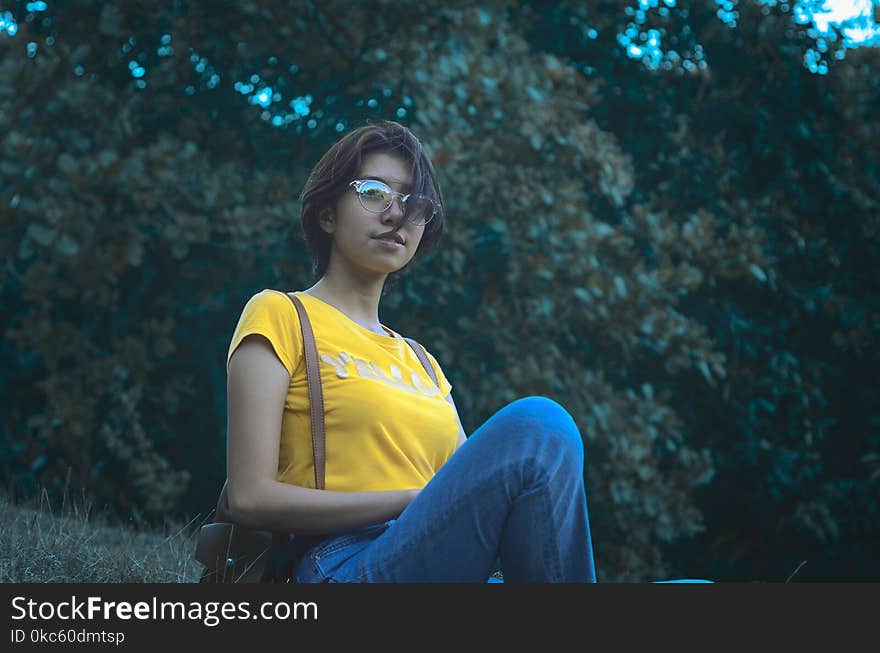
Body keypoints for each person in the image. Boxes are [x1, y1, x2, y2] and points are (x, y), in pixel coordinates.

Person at [224, 119, 597, 582]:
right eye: (374, 192)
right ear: (327, 214)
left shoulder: (423, 362)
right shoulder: (282, 315)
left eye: (413, 202)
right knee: (541, 425)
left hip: (445, 564)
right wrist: (411, 500)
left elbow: (475, 494)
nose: (396, 214)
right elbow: (250, 497)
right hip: (341, 564)